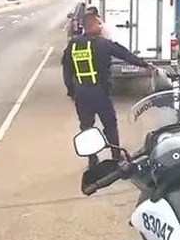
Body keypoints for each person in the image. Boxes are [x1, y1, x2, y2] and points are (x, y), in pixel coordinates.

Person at [62, 13, 156, 166]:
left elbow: (67, 70)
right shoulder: (103, 44)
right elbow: (124, 54)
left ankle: (92, 159)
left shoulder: (72, 45)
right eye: (99, 23)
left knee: (86, 126)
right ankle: (116, 157)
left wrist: (71, 91)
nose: (102, 26)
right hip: (100, 92)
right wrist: (144, 64)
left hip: (81, 93)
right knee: (110, 124)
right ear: (91, 26)